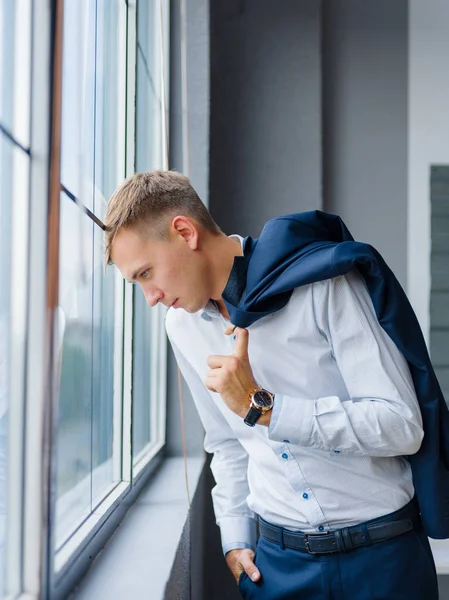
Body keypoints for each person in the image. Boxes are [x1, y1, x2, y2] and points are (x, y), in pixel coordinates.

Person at [105, 170, 441, 600]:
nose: (149, 296)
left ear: (184, 232)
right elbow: (226, 442)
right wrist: (235, 535)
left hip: (383, 561)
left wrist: (265, 408)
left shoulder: (322, 282)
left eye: (146, 273)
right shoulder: (181, 326)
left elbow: (402, 425)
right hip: (277, 570)